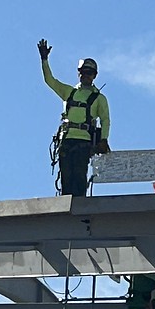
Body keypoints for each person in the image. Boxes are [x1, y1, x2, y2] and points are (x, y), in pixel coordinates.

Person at [38, 39, 111, 196]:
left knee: (79, 175)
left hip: (84, 142)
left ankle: (79, 208)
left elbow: (105, 120)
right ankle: (67, 209)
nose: (86, 75)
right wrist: (44, 60)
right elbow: (49, 80)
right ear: (79, 73)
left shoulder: (99, 98)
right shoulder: (69, 92)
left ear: (94, 75)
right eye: (84, 72)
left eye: (89, 73)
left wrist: (104, 140)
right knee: (66, 177)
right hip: (66, 140)